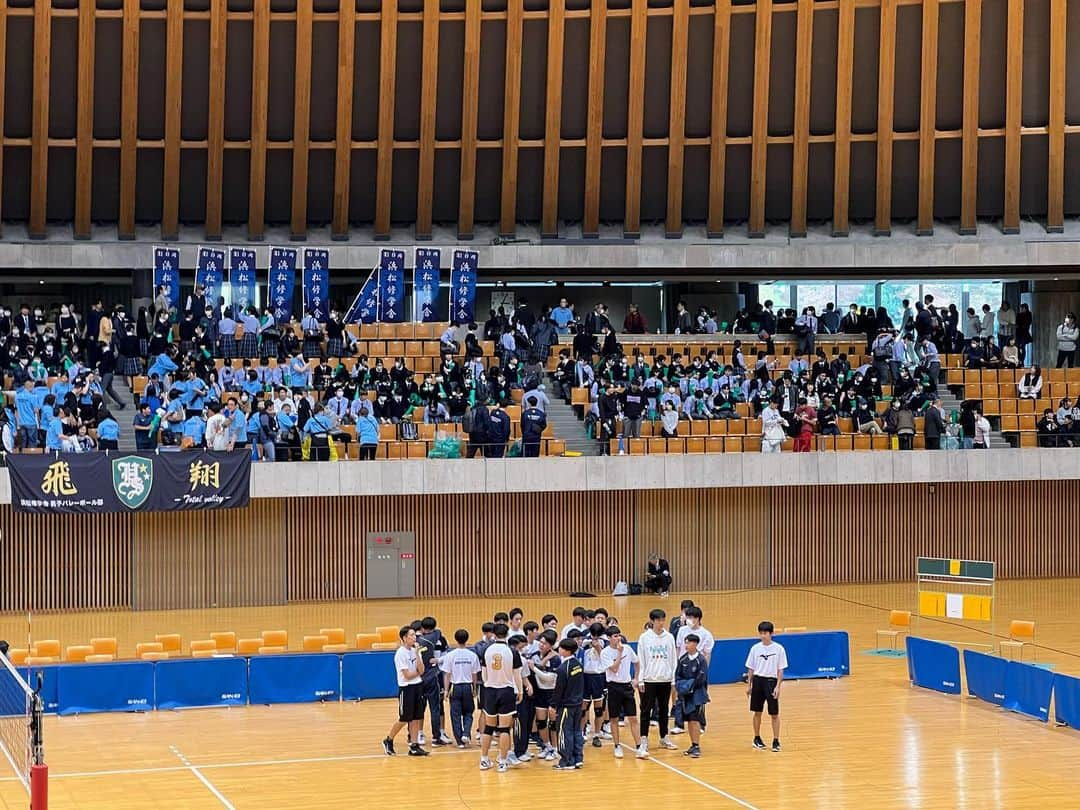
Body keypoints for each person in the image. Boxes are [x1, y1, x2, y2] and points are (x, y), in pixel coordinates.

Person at [479, 622, 523, 773]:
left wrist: (489, 683)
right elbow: (517, 675)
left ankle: (484, 759)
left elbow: (483, 675)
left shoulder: (486, 649)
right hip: (506, 691)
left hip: (490, 690)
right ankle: (503, 762)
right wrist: (520, 691)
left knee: (489, 727)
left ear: (493, 634)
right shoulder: (512, 652)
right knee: (504, 729)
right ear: (507, 634)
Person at [636, 608, 678, 757]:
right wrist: (640, 679)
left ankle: (664, 737)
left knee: (663, 710)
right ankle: (644, 740)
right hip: (649, 680)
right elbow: (641, 659)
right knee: (646, 711)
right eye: (658, 620)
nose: (661, 623)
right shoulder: (644, 638)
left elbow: (673, 658)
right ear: (652, 621)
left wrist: (673, 678)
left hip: (665, 679)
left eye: (663, 620)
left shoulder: (669, 637)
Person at [383, 626, 428, 757]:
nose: (414, 637)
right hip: (406, 688)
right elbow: (407, 675)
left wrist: (418, 655)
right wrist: (418, 672)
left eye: (415, 635)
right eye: (411, 635)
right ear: (404, 638)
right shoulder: (400, 654)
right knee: (405, 718)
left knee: (416, 718)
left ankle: (414, 746)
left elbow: (422, 670)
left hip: (418, 686)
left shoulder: (416, 651)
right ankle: (388, 739)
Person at [746, 620, 787, 753]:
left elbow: (781, 670)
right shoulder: (755, 648)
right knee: (757, 712)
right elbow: (751, 668)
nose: (763, 636)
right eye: (761, 633)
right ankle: (756, 738)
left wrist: (778, 686)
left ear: (771, 633)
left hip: (771, 682)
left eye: (766, 633)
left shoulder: (779, 649)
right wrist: (749, 685)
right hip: (758, 681)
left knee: (774, 713)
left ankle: (776, 740)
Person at [600, 626, 640, 759]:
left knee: (633, 718)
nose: (618, 638)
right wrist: (619, 653)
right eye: (615, 636)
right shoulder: (605, 653)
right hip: (613, 687)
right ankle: (617, 746)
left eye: (619, 635)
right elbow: (615, 669)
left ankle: (639, 746)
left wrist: (636, 678)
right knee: (614, 719)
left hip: (627, 687)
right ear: (609, 638)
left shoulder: (628, 649)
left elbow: (637, 662)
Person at [550, 638, 585, 770]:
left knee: (565, 733)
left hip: (566, 706)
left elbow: (558, 690)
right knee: (577, 731)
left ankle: (567, 761)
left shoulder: (562, 669)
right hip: (577, 704)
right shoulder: (578, 665)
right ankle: (578, 758)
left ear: (566, 650)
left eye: (560, 648)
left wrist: (553, 705)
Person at [674, 633, 710, 758]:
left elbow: (701, 678)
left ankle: (697, 746)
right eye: (685, 642)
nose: (686, 645)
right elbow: (678, 676)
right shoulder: (683, 659)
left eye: (688, 642)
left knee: (695, 720)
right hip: (686, 695)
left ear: (695, 644)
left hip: (697, 695)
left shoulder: (701, 660)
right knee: (689, 720)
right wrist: (682, 687)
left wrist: (690, 686)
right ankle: (693, 744)